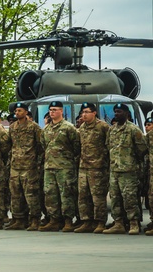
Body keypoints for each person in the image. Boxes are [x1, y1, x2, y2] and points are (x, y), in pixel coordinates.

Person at [106, 104, 148, 235]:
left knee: (130, 198)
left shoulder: (133, 130)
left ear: (126, 113)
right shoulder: (112, 130)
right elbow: (109, 147)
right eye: (115, 112)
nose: (116, 114)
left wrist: (131, 162)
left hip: (129, 171)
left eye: (119, 112)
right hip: (115, 170)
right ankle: (118, 223)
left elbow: (142, 150)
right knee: (115, 198)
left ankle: (134, 223)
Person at [41, 101, 80, 232]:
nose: (52, 112)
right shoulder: (46, 129)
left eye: (55, 109)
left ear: (61, 111)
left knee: (66, 194)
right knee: (50, 194)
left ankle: (68, 220)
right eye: (51, 110)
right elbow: (43, 146)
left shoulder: (68, 128)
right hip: (49, 167)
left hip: (65, 167)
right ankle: (54, 220)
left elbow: (76, 146)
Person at [8, 102, 44, 231]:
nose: (17, 113)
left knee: (31, 194)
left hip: (29, 167)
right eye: (16, 111)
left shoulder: (34, 127)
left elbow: (40, 146)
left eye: (20, 111)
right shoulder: (12, 127)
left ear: (26, 112)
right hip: (15, 166)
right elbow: (9, 145)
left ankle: (35, 219)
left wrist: (37, 163)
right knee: (16, 195)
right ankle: (19, 219)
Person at [75, 102, 110, 233]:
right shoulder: (82, 128)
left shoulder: (103, 127)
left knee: (98, 197)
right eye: (82, 112)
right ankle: (86, 221)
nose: (84, 115)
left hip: (98, 168)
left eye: (86, 112)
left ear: (94, 113)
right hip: (84, 167)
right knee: (83, 196)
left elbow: (109, 146)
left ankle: (100, 222)